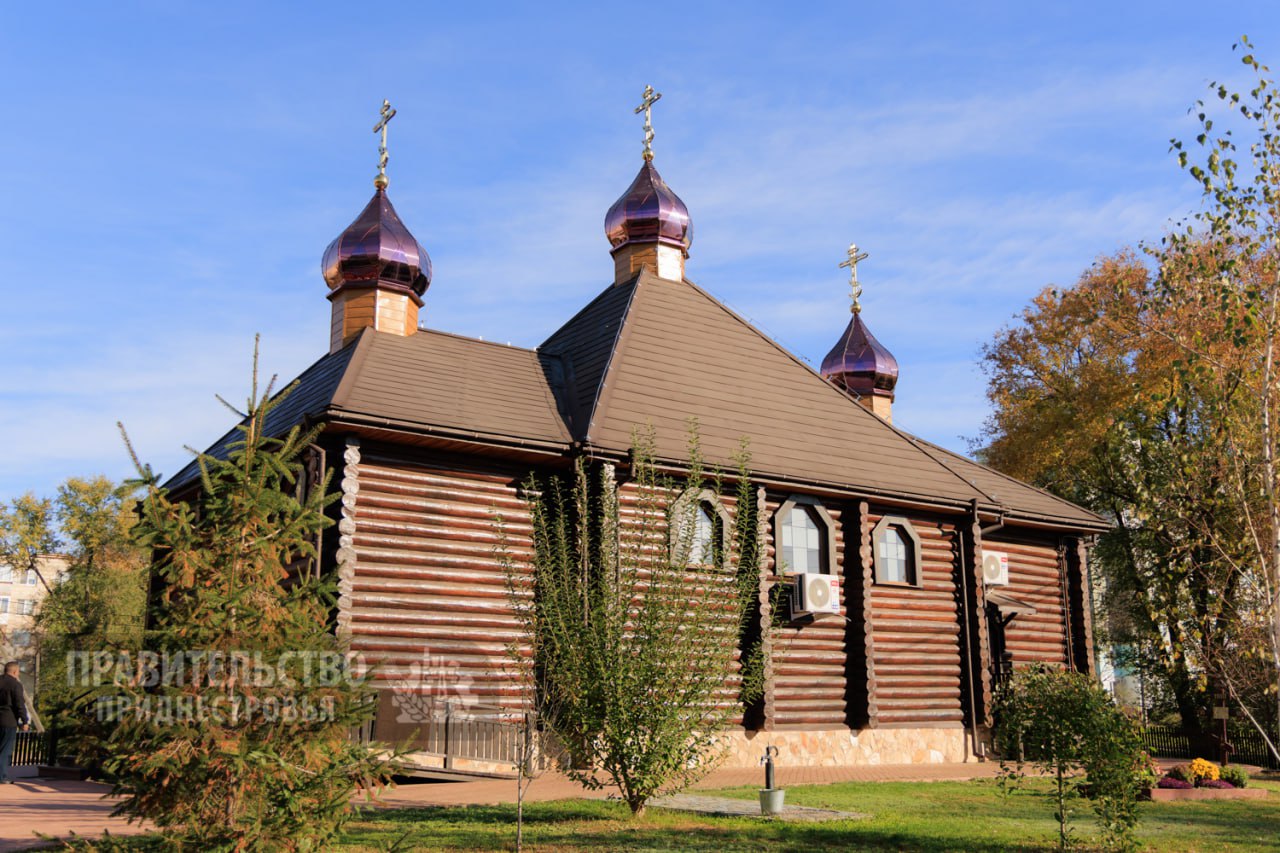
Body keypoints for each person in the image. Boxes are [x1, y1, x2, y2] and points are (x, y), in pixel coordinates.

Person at [0, 661, 30, 783]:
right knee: (5, 750)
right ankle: (2, 777)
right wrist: (25, 720)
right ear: (15, 672)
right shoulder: (15, 685)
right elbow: (19, 704)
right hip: (8, 720)